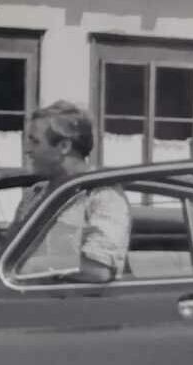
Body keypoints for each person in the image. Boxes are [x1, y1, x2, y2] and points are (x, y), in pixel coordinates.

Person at [14, 100, 131, 279]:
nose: (27, 150)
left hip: (80, 304)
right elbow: (7, 254)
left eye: (35, 141)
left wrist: (33, 266)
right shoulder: (35, 193)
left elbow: (98, 270)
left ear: (64, 146)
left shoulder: (103, 196)